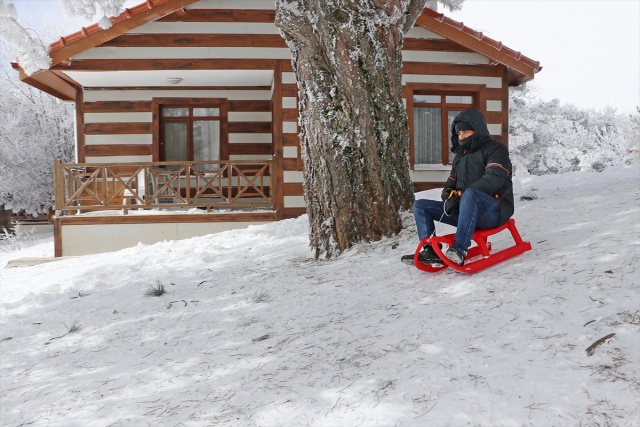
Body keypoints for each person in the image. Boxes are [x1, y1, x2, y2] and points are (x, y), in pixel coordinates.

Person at [401, 108, 514, 267]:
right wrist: (448, 196)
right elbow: (450, 185)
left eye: (466, 132)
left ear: (477, 130)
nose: (461, 136)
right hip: (465, 212)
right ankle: (430, 251)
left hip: (494, 210)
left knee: (470, 194)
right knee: (420, 206)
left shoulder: (495, 149)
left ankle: (459, 250)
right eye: (459, 133)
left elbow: (494, 179)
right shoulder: (460, 158)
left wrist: (461, 195)